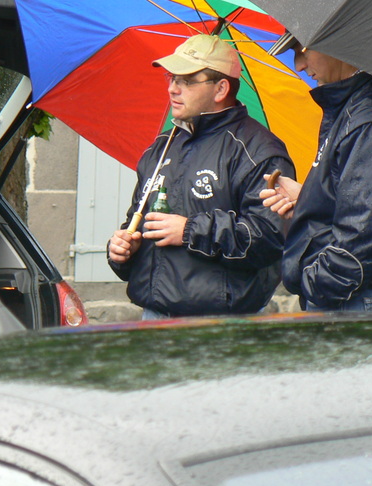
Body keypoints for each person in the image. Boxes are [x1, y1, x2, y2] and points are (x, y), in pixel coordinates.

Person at [107, 34, 295, 318]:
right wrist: (124, 251)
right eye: (172, 78)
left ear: (220, 89)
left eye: (186, 81)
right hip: (153, 316)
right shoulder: (162, 146)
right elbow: (138, 220)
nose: (172, 89)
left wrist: (189, 231)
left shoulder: (258, 151)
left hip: (218, 322)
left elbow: (269, 239)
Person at [260, 31, 372, 312]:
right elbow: (362, 200)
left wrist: (318, 284)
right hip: (359, 297)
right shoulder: (357, 107)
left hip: (361, 301)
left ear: (334, 43)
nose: (299, 66)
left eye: (302, 50)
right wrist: (307, 201)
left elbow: (368, 226)